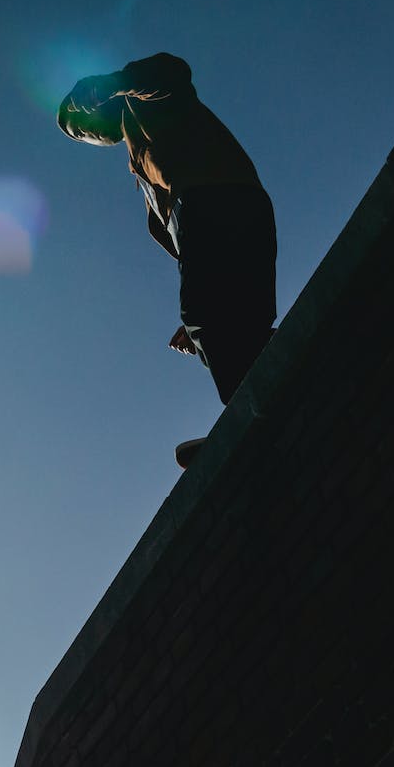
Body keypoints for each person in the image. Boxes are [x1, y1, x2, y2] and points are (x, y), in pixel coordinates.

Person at [57, 52, 276, 465]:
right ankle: (273, 382)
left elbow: (172, 72)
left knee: (211, 316)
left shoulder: (147, 102)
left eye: (83, 124)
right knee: (238, 322)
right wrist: (198, 326)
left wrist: (111, 82)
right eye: (80, 135)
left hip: (217, 199)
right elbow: (193, 253)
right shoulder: (138, 159)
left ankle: (252, 413)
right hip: (231, 214)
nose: (87, 132)